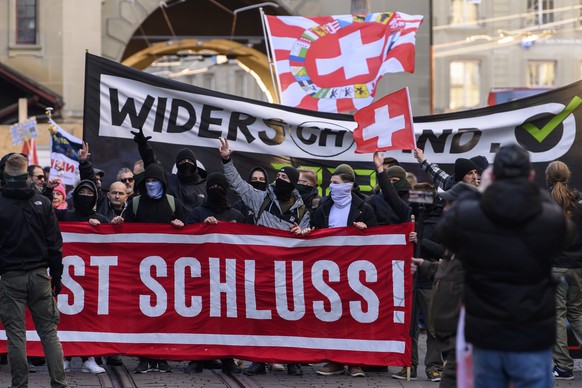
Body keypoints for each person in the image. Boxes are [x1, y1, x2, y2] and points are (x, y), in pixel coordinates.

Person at [434, 144, 570, 388]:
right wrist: (528, 191)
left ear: (492, 177)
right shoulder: (548, 217)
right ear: (530, 176)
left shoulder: (470, 215)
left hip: (486, 332)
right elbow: (563, 232)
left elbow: (444, 230)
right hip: (532, 331)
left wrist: (484, 192)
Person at [219, 137, 308, 377]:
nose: (279, 181)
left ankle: (293, 361)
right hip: (261, 268)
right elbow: (237, 184)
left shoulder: (302, 210)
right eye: (277, 177)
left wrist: (304, 232)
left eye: (284, 179)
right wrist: (227, 159)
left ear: (293, 184)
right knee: (260, 316)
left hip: (288, 272)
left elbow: (311, 236)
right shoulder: (260, 198)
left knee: (290, 315)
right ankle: (258, 361)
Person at [0, 153, 68, 388]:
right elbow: (55, 244)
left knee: (16, 335)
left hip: (10, 277)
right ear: (27, 174)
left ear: (6, 174)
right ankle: (59, 383)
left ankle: (20, 385)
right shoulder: (43, 202)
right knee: (49, 333)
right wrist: (57, 276)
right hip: (39, 275)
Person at [112, 162, 185, 374]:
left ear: (162, 182)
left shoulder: (173, 203)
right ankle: (144, 357)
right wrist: (119, 223)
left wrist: (181, 226)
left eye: (155, 181)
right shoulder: (134, 203)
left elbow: (189, 230)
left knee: (165, 316)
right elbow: (125, 230)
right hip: (140, 271)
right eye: (149, 181)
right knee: (141, 316)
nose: (152, 184)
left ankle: (161, 357)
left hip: (167, 271)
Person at [311, 163, 377, 378]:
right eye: (330, 183)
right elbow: (315, 230)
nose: (331, 186)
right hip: (330, 269)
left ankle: (354, 362)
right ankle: (334, 360)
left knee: (354, 316)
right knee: (333, 316)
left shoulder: (364, 207)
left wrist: (364, 231)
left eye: (336, 183)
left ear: (348, 185)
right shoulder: (324, 206)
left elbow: (377, 238)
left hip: (354, 269)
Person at [412, 181, 478, 388]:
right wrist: (426, 267)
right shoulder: (458, 237)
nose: (445, 207)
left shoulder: (478, 240)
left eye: (449, 203)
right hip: (456, 343)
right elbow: (453, 270)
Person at [185, 172, 245, 374]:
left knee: (227, 321)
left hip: (228, 277)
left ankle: (228, 359)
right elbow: (187, 243)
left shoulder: (237, 216)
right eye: (212, 187)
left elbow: (247, 247)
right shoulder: (197, 213)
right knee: (200, 319)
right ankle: (197, 358)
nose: (216, 191)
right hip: (202, 275)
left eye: (220, 187)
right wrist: (203, 228)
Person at [545, 160, 582, 380]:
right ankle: (564, 366)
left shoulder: (545, 205)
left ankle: (563, 366)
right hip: (577, 267)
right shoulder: (578, 203)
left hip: (555, 267)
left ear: (548, 178)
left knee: (557, 316)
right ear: (567, 177)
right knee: (577, 312)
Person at [132, 127, 206, 213]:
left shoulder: (205, 185)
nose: (186, 163)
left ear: (195, 164)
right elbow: (153, 164)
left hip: (199, 225)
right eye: (182, 161)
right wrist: (143, 146)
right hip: (173, 223)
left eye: (189, 161)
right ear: (177, 165)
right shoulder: (170, 180)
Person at [413, 148, 482, 190]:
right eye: (470, 173)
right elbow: (434, 171)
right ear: (460, 176)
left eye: (475, 172)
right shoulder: (450, 184)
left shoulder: (483, 188)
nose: (474, 177)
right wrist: (421, 159)